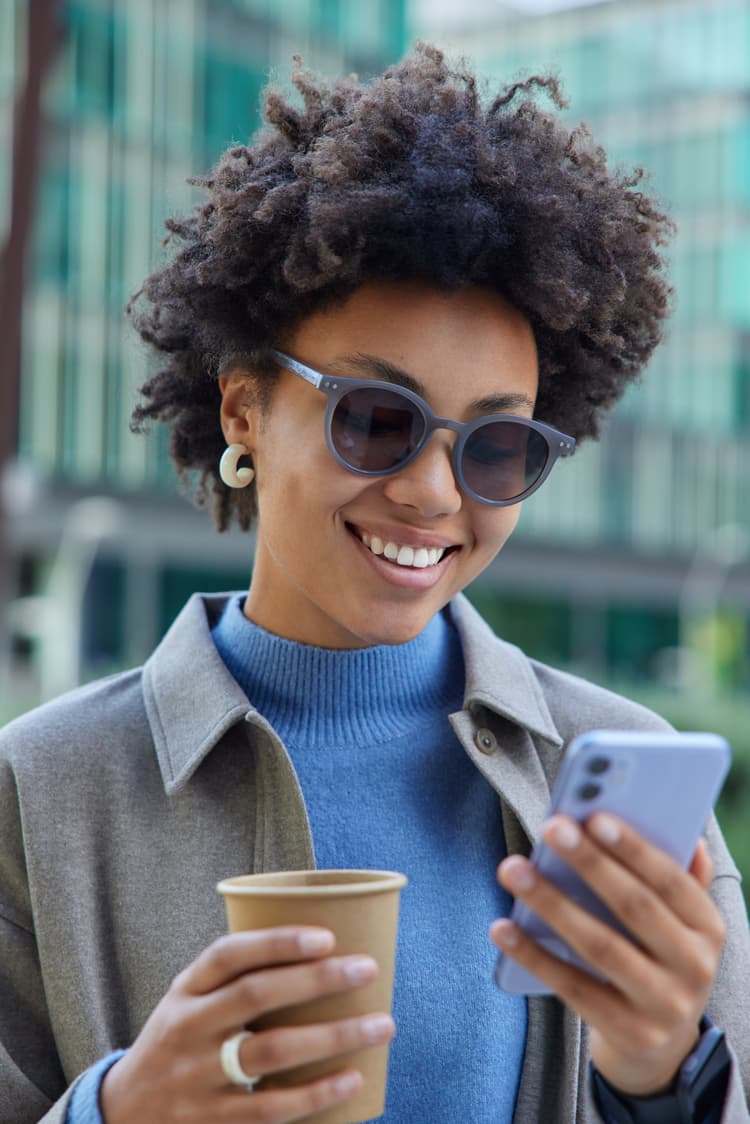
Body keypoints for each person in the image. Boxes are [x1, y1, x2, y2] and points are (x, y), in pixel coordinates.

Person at [1, 42, 748, 1124]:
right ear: (244, 410)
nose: (434, 490)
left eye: (496, 445)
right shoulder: (40, 791)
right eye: (377, 420)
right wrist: (114, 1114)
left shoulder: (619, 785)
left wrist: (662, 1075)